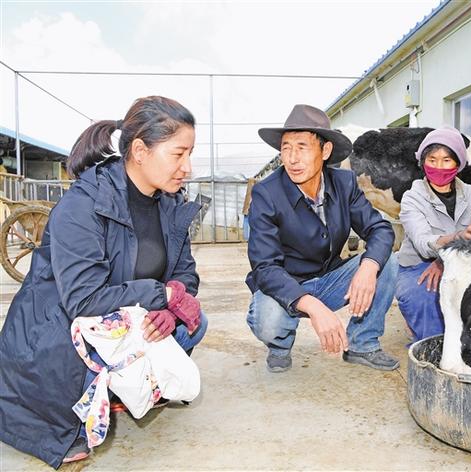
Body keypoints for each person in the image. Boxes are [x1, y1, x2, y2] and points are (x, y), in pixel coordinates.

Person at [0, 96, 208, 468]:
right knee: (65, 417)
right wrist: (162, 294)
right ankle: (65, 403)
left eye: (190, 154)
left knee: (193, 323)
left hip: (121, 320)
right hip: (59, 328)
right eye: (178, 154)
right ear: (140, 151)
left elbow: (185, 273)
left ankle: (119, 390)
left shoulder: (171, 205)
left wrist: (172, 308)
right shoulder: (83, 205)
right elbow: (83, 300)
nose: (187, 167)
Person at [246, 104, 399, 373]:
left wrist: (368, 266)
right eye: (286, 148)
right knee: (267, 319)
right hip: (287, 283)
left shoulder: (344, 183)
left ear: (325, 151)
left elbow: (380, 229)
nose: (292, 158)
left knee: (387, 262)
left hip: (330, 278)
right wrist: (313, 307)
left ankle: (362, 343)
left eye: (302, 147)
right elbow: (265, 267)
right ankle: (280, 345)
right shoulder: (266, 193)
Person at [395, 127, 471, 342]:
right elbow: (423, 242)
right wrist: (456, 240)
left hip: (460, 262)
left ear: (458, 163)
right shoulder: (412, 197)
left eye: (446, 160)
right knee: (427, 296)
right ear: (423, 162)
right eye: (432, 160)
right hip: (417, 266)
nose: (438, 167)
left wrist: (444, 262)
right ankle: (430, 346)